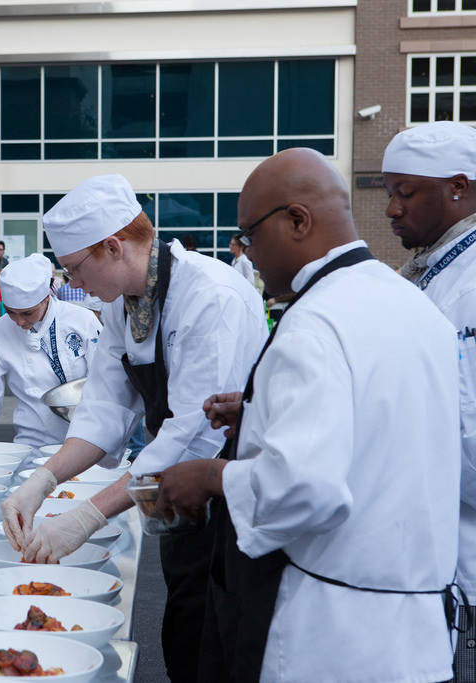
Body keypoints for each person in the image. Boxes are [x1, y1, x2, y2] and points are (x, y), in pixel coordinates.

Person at [159, 148, 462, 682]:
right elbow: (385, 428)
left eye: (249, 237)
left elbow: (304, 488)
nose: (249, 257)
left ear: (297, 220)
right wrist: (259, 415)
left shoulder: (316, 322)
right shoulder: (413, 304)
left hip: (334, 637)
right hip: (418, 638)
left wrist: (207, 475)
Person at [2, 174, 267, 683]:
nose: (72, 284)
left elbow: (192, 435)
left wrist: (86, 517)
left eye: (76, 268)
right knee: (185, 626)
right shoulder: (124, 302)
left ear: (113, 246)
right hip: (175, 494)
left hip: (230, 495)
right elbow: (103, 408)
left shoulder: (207, 296)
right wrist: (42, 481)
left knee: (215, 639)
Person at [381, 120, 476, 681]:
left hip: (464, 563)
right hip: (428, 558)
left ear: (459, 188)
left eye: (405, 192)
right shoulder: (431, 273)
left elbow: (467, 445)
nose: (392, 208)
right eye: (389, 192)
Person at [0, 254, 101, 455]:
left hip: (89, 440)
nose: (19, 321)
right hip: (33, 445)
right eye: (11, 311)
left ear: (46, 299)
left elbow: (108, 379)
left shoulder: (82, 320)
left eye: (27, 313)